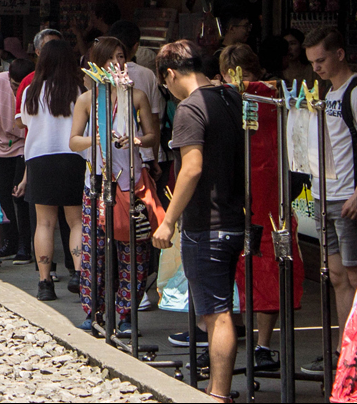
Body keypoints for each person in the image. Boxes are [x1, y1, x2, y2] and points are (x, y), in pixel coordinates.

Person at [152, 40, 245, 403]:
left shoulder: (190, 109)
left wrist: (168, 221)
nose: (168, 91)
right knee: (220, 310)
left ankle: (218, 394)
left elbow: (191, 168)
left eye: (166, 84)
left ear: (171, 74)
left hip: (208, 223)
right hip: (235, 216)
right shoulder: (231, 97)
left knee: (216, 314)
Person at [300, 25, 357, 378]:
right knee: (335, 275)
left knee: (354, 272)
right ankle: (343, 346)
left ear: (339, 54)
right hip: (323, 192)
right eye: (312, 62)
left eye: (321, 60)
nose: (317, 68)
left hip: (348, 193)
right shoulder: (326, 92)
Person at [219, 43, 302, 376]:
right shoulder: (271, 95)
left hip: (256, 190)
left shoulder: (266, 96)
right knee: (260, 261)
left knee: (254, 261)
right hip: (265, 191)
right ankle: (258, 344)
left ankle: (253, 342)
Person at [71, 37, 159, 334]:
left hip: (130, 184)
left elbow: (152, 135)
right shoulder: (87, 99)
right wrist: (96, 140)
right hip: (95, 184)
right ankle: (93, 310)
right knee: (94, 250)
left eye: (121, 57)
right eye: (110, 59)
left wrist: (135, 140)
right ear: (98, 64)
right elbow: (73, 141)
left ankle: (126, 313)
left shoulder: (135, 96)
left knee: (133, 250)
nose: (117, 64)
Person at [14, 38, 87, 300]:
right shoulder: (78, 89)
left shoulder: (31, 91)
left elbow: (24, 123)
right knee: (76, 221)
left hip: (39, 159)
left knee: (44, 223)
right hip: (73, 157)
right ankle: (79, 275)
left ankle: (45, 283)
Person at [0, 58, 32, 260]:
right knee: (2, 194)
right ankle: (9, 240)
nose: (17, 90)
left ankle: (24, 244)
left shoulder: (33, 89)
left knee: (20, 197)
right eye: (14, 85)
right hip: (2, 144)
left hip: (24, 144)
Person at [109, 20, 165, 166]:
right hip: (144, 155)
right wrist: (155, 159)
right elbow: (154, 119)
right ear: (136, 46)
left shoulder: (100, 77)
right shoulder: (147, 75)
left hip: (110, 156)